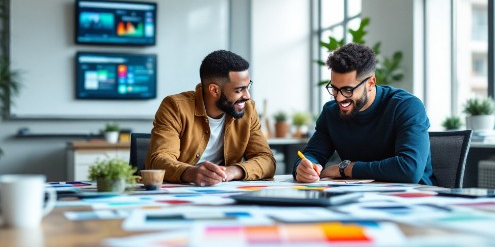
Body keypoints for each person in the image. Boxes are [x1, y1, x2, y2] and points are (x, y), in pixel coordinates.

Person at [294, 43, 433, 185]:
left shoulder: (406, 106)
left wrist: (345, 169)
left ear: (371, 83)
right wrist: (304, 168)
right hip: (358, 197)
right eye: (334, 88)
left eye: (348, 90)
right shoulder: (331, 112)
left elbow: (409, 169)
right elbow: (312, 154)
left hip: (410, 197)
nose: (339, 98)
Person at [146, 50, 275, 186]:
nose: (247, 95)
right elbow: (159, 160)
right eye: (239, 90)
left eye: (248, 86)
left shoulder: (248, 109)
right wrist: (192, 173)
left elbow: (267, 160)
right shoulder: (175, 107)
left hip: (223, 192)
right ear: (214, 90)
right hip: (179, 192)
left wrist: (231, 171)